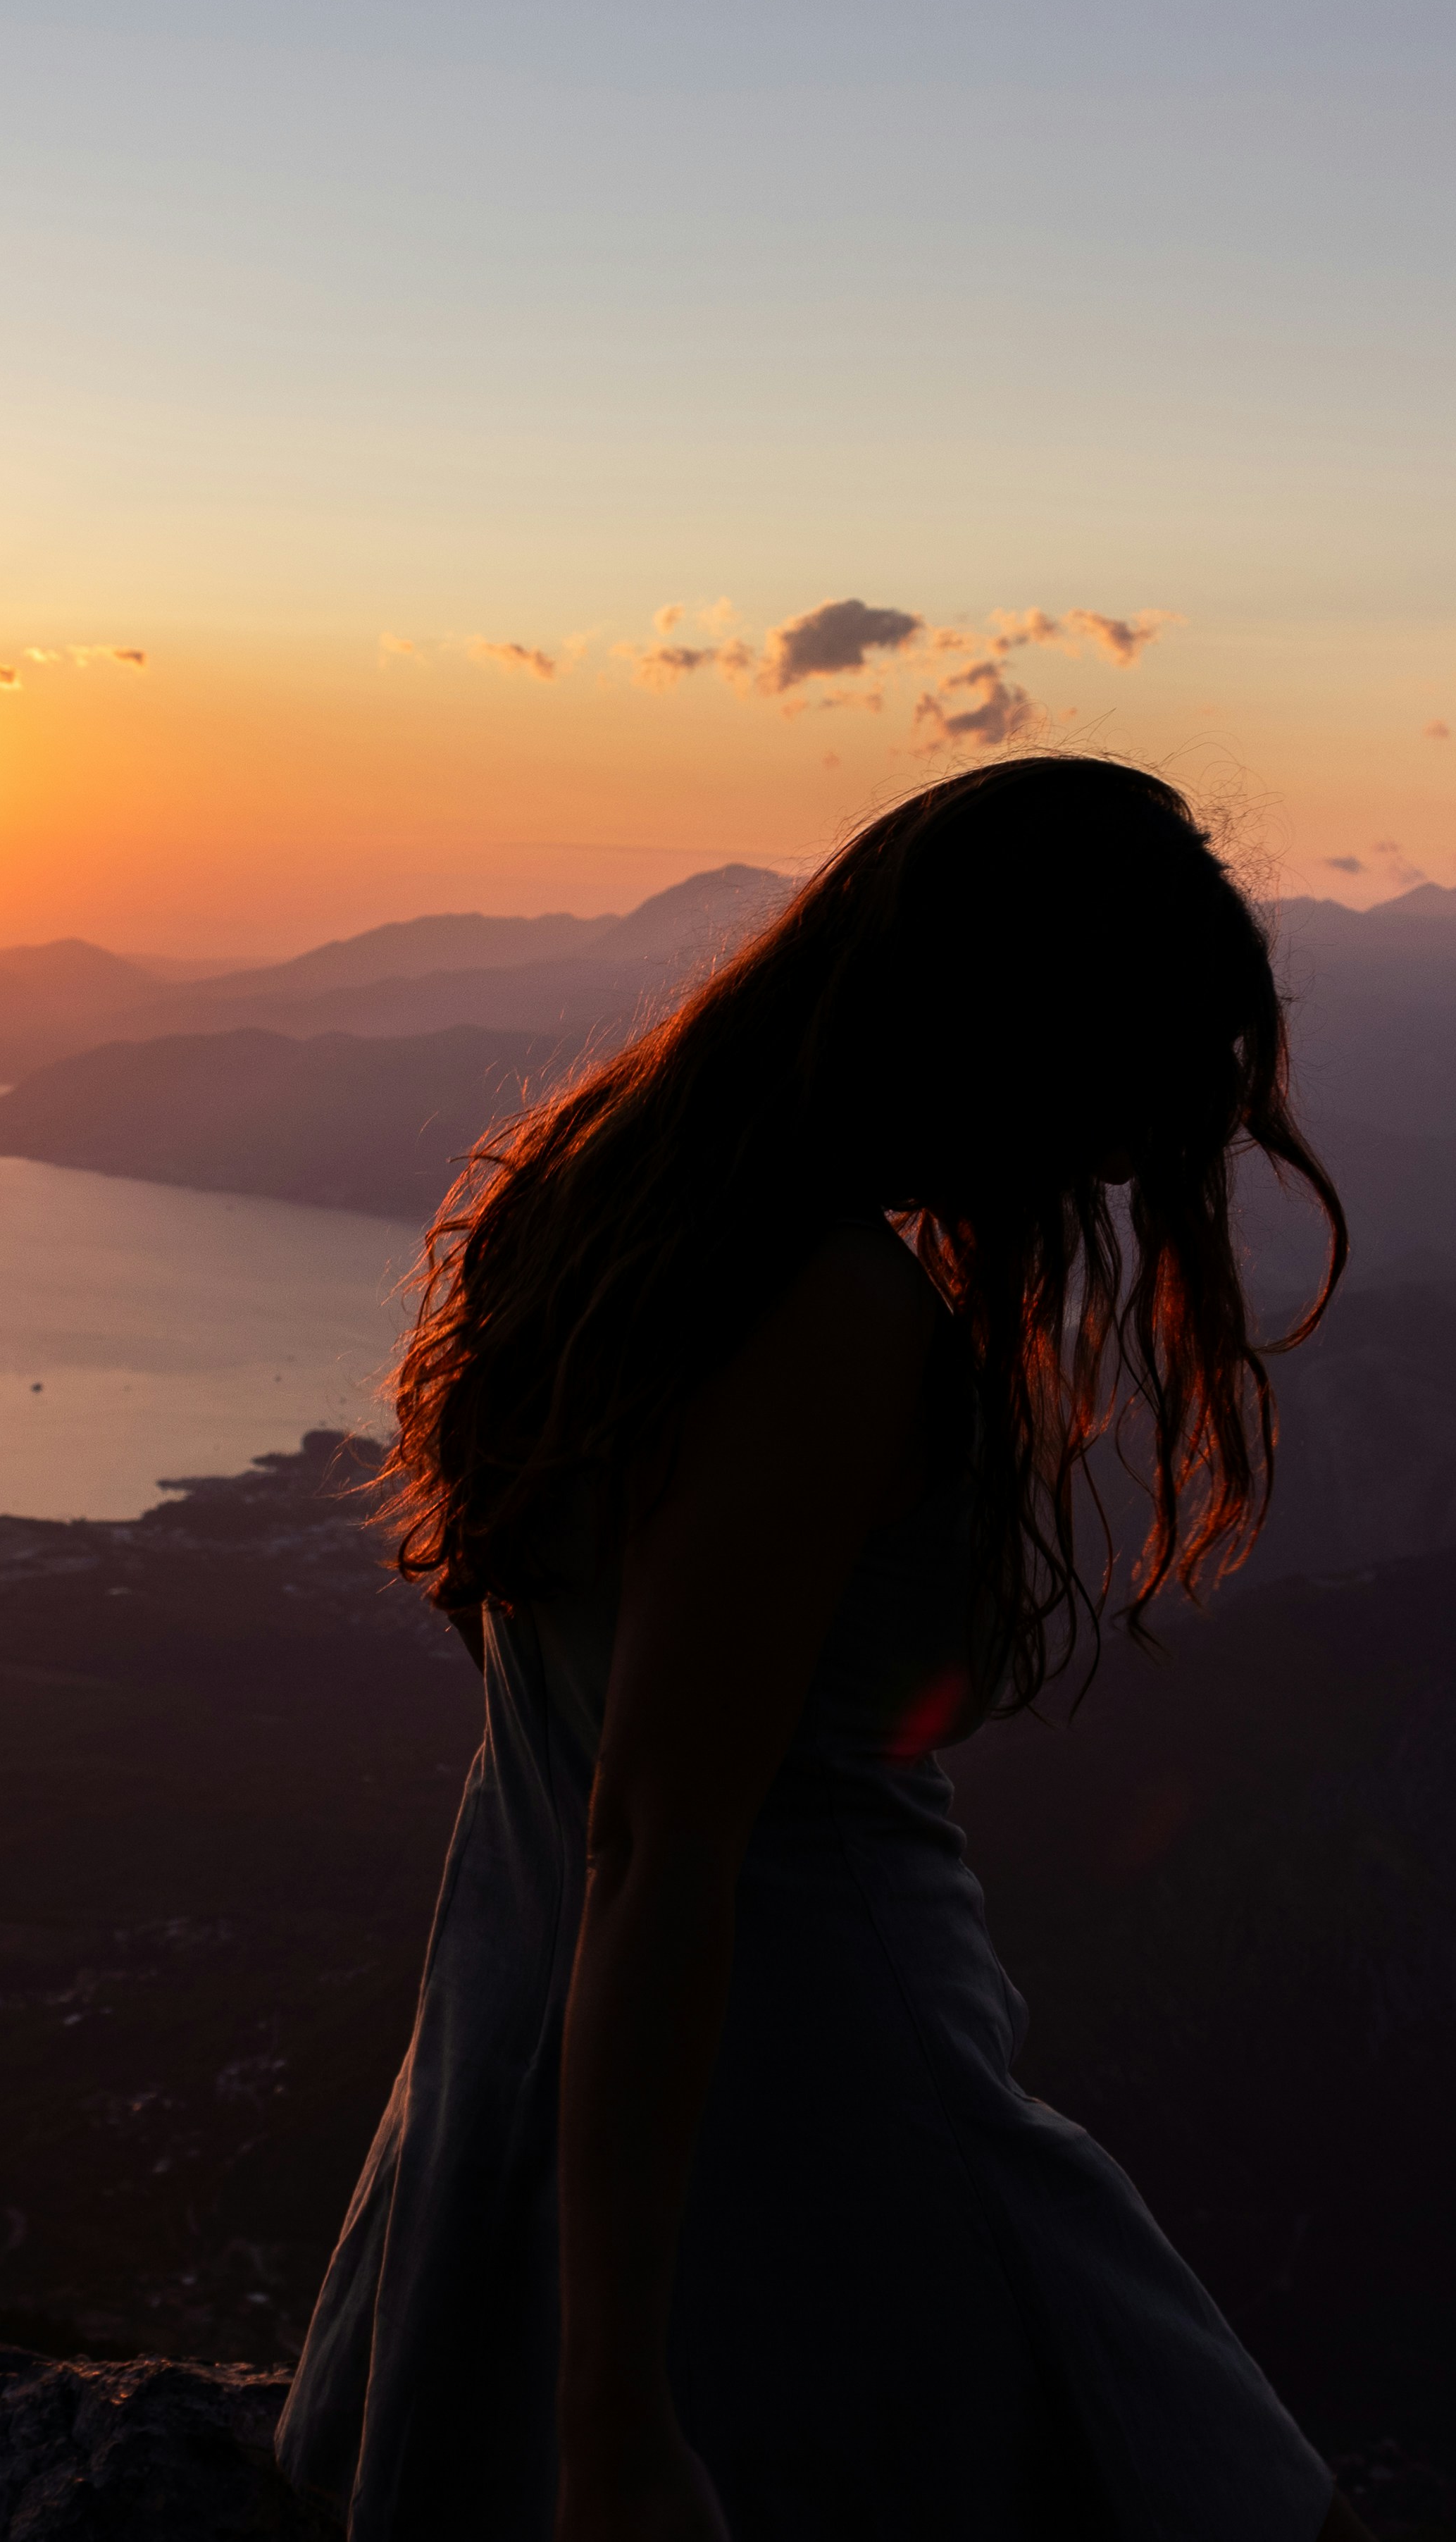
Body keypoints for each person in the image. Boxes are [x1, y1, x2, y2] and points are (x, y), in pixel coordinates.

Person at [275, 756, 1369, 2541]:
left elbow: (582, 1753)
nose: (1127, 1151)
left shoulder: (609, 1201)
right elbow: (658, 1832)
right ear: (1014, 1028)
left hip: (532, 2049)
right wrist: (614, 2407)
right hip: (811, 2099)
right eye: (1126, 1077)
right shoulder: (831, 1307)